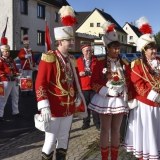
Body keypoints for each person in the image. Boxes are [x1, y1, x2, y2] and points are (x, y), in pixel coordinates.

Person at [123, 17, 160, 160]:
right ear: (144, 50)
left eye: (155, 48)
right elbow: (137, 83)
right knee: (147, 133)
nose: (154, 51)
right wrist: (154, 95)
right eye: (151, 49)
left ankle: (158, 153)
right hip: (146, 105)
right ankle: (145, 156)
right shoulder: (136, 64)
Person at [35, 6, 87, 160]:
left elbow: (75, 80)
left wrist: (77, 95)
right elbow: (40, 83)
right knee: (50, 141)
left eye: (72, 40)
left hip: (69, 106)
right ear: (59, 41)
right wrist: (43, 105)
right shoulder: (49, 58)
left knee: (64, 140)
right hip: (54, 107)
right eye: (69, 40)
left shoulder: (71, 60)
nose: (72, 42)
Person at [88, 21, 134, 160]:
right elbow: (93, 83)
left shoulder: (124, 63)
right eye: (114, 48)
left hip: (119, 100)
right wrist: (106, 90)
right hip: (105, 100)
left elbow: (130, 80)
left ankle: (114, 157)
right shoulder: (100, 62)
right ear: (108, 48)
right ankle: (104, 157)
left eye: (118, 48)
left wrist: (124, 88)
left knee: (116, 130)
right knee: (105, 129)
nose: (117, 51)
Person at [0, 37, 21, 122]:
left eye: (8, 51)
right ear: (2, 52)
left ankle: (16, 111)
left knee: (15, 97)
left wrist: (17, 72)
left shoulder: (11, 60)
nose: (8, 52)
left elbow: (15, 69)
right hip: (6, 80)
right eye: (6, 51)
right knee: (4, 98)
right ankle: (0, 115)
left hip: (13, 80)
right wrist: (6, 74)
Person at [76, 43, 100, 131]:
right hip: (83, 87)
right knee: (85, 107)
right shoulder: (78, 61)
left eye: (90, 50)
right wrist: (79, 74)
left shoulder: (96, 60)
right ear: (83, 52)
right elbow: (75, 73)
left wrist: (91, 73)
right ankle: (86, 123)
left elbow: (99, 73)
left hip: (94, 87)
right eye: (87, 51)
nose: (89, 52)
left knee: (95, 107)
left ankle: (97, 123)